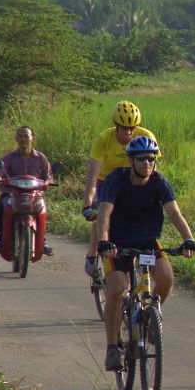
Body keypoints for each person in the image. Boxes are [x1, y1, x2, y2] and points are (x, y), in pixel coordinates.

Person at [96, 136, 195, 372]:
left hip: (148, 241)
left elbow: (174, 213)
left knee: (166, 276)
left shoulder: (159, 182)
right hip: (117, 242)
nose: (147, 163)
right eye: (141, 159)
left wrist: (188, 239)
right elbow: (104, 214)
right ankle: (112, 347)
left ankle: (150, 317)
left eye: (151, 159)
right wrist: (103, 241)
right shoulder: (116, 180)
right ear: (131, 160)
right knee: (118, 289)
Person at [82, 100, 158, 277]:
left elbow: (153, 171)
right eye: (124, 128)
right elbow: (92, 176)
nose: (129, 132)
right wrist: (87, 205)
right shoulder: (103, 140)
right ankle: (92, 255)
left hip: (133, 182)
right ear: (116, 126)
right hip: (106, 182)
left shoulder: (146, 136)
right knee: (100, 215)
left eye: (133, 128)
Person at [0, 125, 54, 255]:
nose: (23, 139)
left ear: (32, 138)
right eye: (20, 136)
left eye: (26, 136)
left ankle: (42, 242)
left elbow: (49, 176)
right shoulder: (9, 157)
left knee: (42, 212)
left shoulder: (41, 158)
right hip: (12, 193)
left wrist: (48, 182)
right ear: (16, 138)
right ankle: (1, 240)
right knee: (0, 209)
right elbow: (0, 170)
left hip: (34, 195)